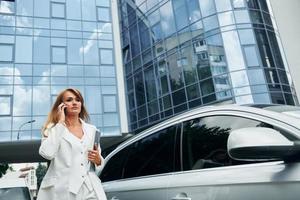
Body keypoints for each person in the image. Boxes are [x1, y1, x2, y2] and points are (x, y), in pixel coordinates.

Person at [37, 88, 107, 200]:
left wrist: (98, 160)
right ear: (61, 106)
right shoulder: (53, 129)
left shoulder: (92, 130)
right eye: (69, 100)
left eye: (78, 100)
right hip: (64, 189)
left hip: (90, 188)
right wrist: (60, 124)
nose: (74, 102)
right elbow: (47, 153)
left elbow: (97, 163)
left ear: (81, 104)